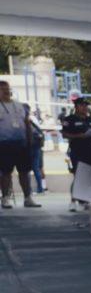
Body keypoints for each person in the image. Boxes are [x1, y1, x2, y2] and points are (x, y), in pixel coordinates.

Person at [0, 80, 41, 208]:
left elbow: (27, 123)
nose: (6, 91)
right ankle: (5, 198)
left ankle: (28, 198)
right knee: (6, 173)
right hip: (4, 144)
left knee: (24, 172)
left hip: (21, 144)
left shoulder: (19, 105)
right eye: (2, 89)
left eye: (7, 88)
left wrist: (30, 141)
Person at [62, 98, 91, 212]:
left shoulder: (90, 119)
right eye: (82, 105)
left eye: (85, 105)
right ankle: (73, 201)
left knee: (89, 176)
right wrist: (79, 136)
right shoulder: (70, 119)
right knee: (78, 176)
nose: (84, 107)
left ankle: (85, 200)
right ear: (76, 106)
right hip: (77, 151)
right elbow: (65, 134)